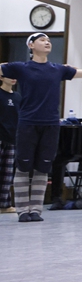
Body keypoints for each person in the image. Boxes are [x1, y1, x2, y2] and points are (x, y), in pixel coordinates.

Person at [0, 33, 82, 222]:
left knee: (43, 168)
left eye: (49, 41)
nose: (47, 43)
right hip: (28, 123)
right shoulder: (20, 68)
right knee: (23, 167)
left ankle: (35, 210)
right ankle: (22, 210)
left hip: (51, 124)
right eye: (42, 40)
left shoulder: (58, 69)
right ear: (31, 45)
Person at [0, 75, 18, 214]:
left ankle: (4, 204)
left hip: (12, 138)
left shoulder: (18, 97)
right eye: (9, 76)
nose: (13, 78)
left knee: (7, 173)